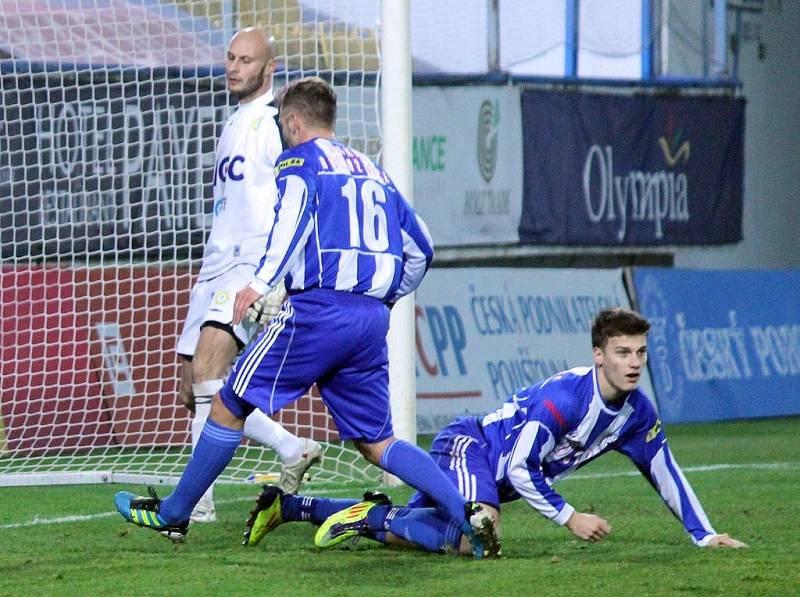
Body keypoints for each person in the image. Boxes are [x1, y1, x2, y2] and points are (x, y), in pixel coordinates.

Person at [114, 77, 499, 558]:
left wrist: (260, 281)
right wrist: (386, 300)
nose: (282, 132)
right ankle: (467, 515)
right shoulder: (374, 171)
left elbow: (292, 217)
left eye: (282, 124)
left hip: (318, 311)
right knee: (378, 441)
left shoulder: (301, 160)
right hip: (369, 319)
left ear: (294, 121)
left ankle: (174, 513)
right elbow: (422, 247)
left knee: (228, 401)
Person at [241, 307, 747, 556]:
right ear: (598, 354)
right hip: (471, 448)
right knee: (479, 538)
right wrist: (570, 518)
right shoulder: (564, 399)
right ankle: (375, 514)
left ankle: (291, 506)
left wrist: (705, 536)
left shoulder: (637, 413)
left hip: (490, 477)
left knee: (445, 532)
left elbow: (666, 471)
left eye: (640, 353)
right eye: (622, 352)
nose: (633, 363)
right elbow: (521, 468)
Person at [174, 28, 321, 523]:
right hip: (215, 262)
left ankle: (197, 504)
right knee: (192, 386)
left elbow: (300, 188)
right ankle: (293, 446)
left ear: (269, 68)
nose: (234, 67)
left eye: (246, 60)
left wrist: (273, 274)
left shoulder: (276, 124)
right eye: (231, 58)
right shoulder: (234, 121)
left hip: (248, 266)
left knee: (211, 373)